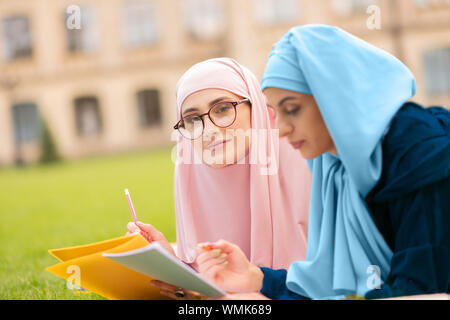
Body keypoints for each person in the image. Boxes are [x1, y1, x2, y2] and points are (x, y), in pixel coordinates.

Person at [195, 25, 450, 300]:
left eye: (292, 109)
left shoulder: (419, 154)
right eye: (276, 112)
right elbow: (330, 285)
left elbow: (419, 291)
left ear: (337, 97)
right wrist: (256, 279)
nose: (280, 129)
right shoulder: (335, 165)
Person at [127, 57, 312, 299]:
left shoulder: (306, 164)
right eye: (193, 119)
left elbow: (332, 284)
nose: (209, 130)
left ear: (255, 108)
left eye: (223, 108)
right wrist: (174, 267)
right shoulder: (192, 176)